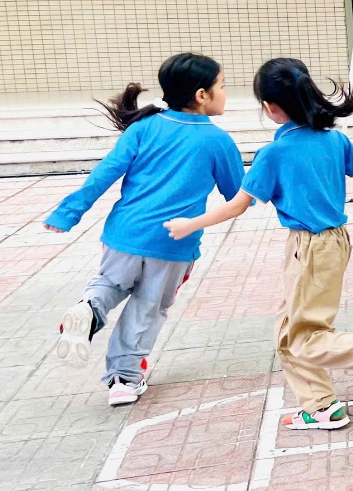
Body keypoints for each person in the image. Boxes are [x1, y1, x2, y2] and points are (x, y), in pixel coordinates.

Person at [165, 58, 353, 430]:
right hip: (331, 244)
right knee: (287, 333)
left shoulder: (275, 153)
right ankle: (321, 406)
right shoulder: (334, 139)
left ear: (271, 107)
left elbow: (239, 205)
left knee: (305, 337)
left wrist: (192, 223)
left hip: (310, 248)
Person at [46, 54, 243, 406]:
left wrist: (67, 213)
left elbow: (104, 173)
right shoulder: (217, 141)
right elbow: (236, 193)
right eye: (222, 86)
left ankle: (89, 311)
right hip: (173, 242)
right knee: (148, 307)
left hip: (123, 234)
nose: (226, 93)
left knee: (109, 284)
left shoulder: (143, 127)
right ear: (201, 95)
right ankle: (124, 379)